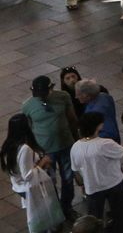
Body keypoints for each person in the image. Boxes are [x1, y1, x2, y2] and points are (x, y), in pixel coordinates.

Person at [69, 113, 123, 233]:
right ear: (98, 126)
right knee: (122, 215)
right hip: (114, 184)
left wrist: (82, 185)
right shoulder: (104, 144)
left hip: (92, 188)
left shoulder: (75, 147)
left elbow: (76, 171)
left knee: (93, 219)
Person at [22, 75, 74, 218]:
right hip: (45, 151)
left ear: (51, 89)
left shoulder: (63, 97)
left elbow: (72, 118)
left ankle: (67, 207)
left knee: (68, 179)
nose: (40, 97)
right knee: (49, 182)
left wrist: (77, 139)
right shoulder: (27, 106)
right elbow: (28, 130)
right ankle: (56, 211)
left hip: (65, 145)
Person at [5, 112, 64, 233]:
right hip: (31, 187)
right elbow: (27, 175)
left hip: (19, 186)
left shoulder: (8, 146)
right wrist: (43, 162)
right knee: (41, 215)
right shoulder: (25, 148)